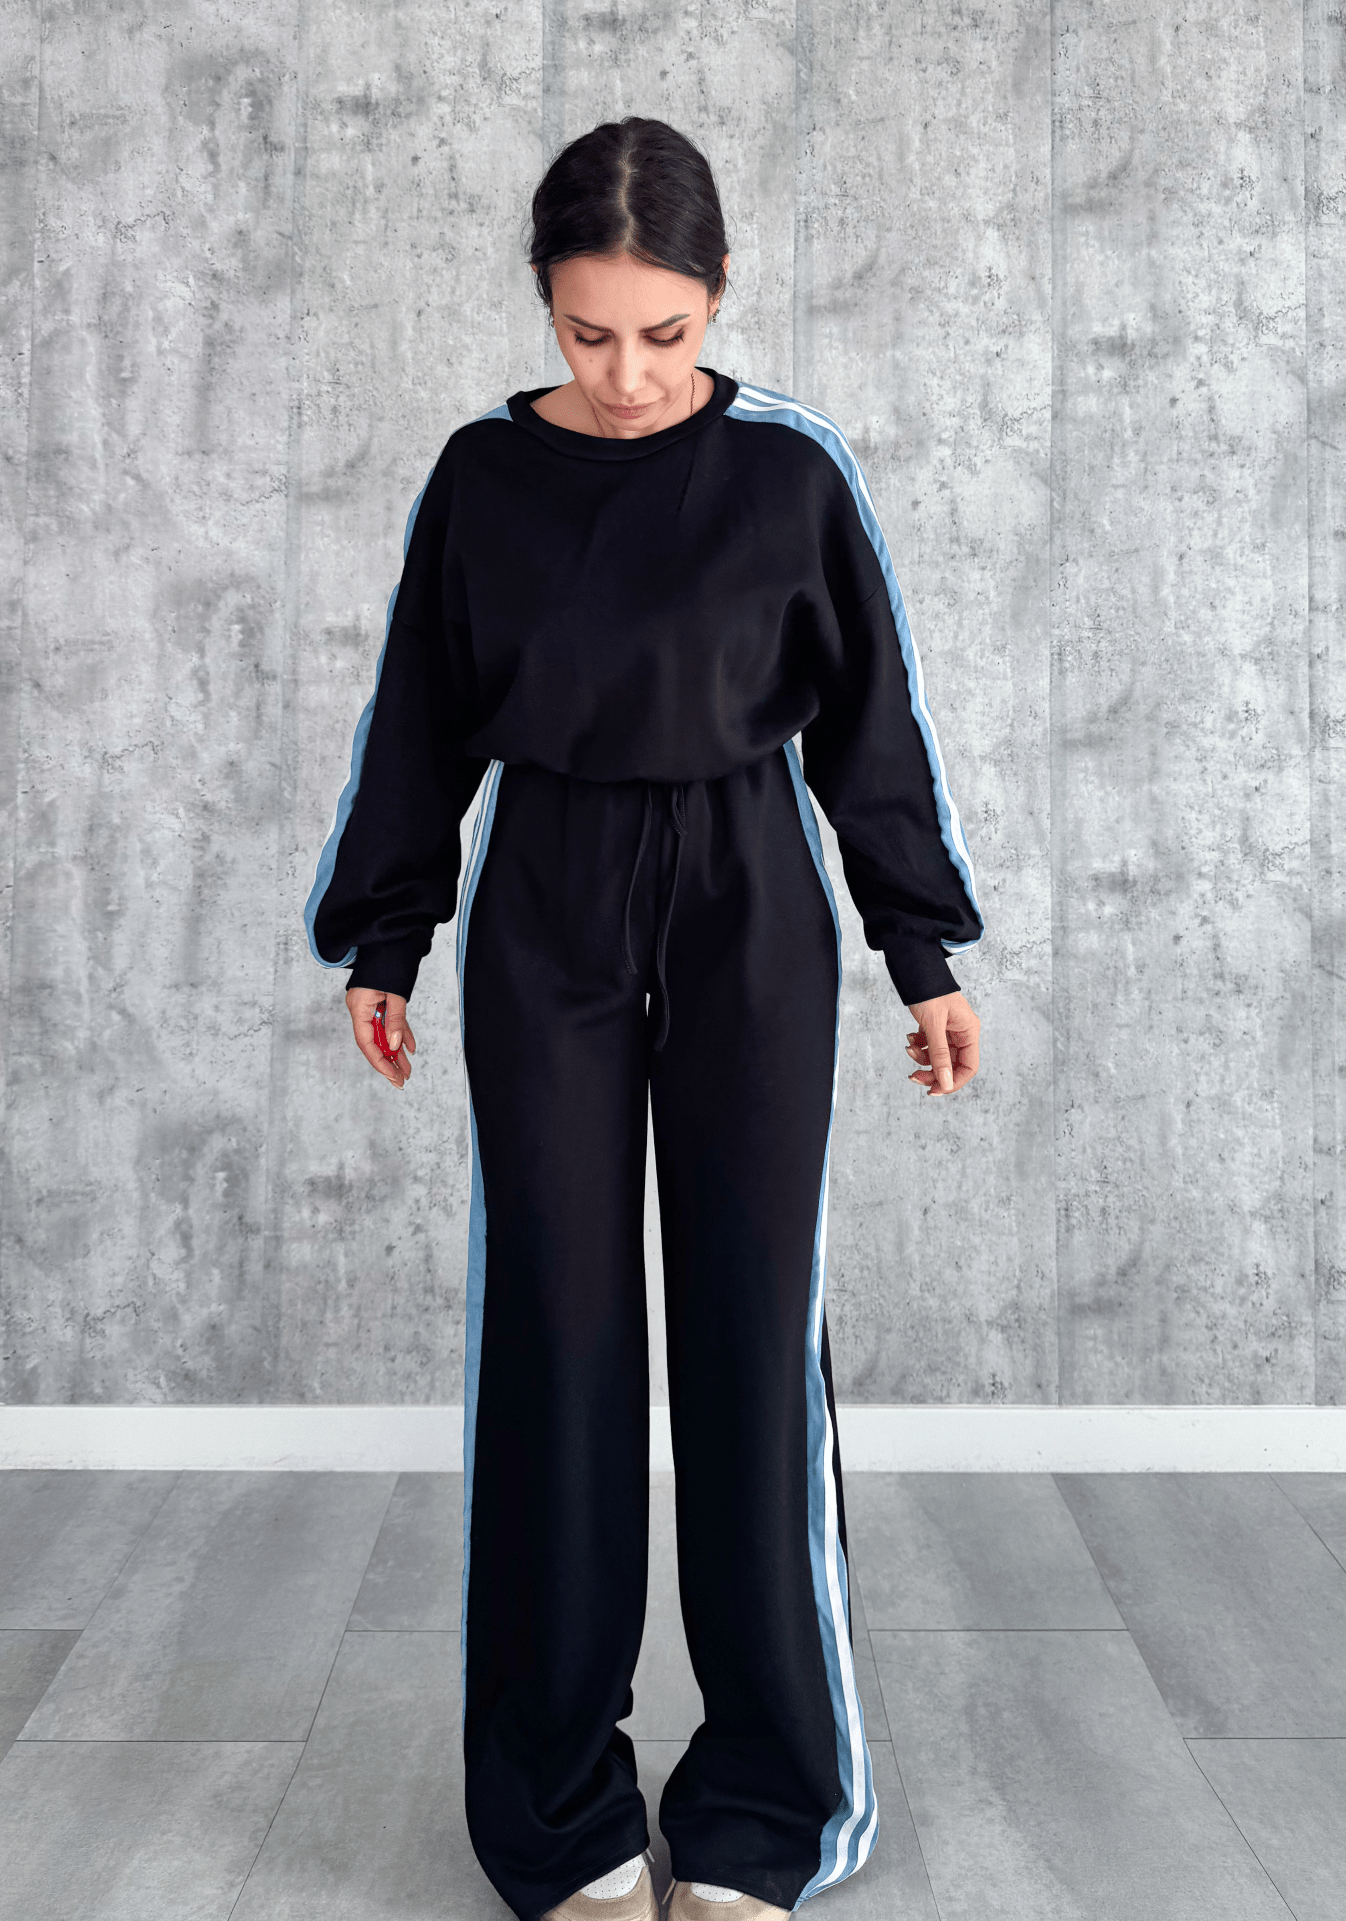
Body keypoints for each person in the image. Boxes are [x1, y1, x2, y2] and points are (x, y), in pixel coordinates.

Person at [305, 117, 983, 1921]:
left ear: (720, 293)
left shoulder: (790, 474)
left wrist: (922, 950)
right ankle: (562, 1812)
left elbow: (875, 726)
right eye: (588, 331)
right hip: (547, 905)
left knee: (754, 1342)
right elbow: (418, 714)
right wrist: (386, 935)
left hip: (749, 897)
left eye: (663, 334)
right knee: (559, 1342)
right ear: (545, 302)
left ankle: (766, 1808)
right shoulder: (481, 477)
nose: (624, 375)